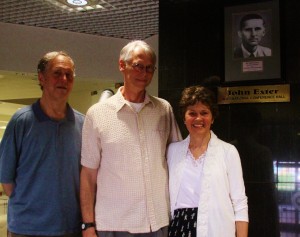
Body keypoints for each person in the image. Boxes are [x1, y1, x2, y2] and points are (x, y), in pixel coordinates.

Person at [80, 40, 182, 237]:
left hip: (158, 223)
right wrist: (88, 225)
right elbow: (88, 175)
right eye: (137, 66)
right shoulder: (97, 114)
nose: (143, 73)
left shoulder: (163, 109)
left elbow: (177, 161)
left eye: (149, 68)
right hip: (115, 225)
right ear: (122, 65)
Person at [0, 51, 84, 237]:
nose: (64, 79)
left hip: (71, 228)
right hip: (27, 229)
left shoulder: (83, 124)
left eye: (69, 74)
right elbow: (7, 181)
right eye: (57, 73)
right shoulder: (21, 121)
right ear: (41, 78)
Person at [167, 86, 248, 237]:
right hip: (179, 228)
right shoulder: (172, 151)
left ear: (213, 117)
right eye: (192, 113)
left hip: (216, 228)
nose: (198, 118)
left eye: (204, 113)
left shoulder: (228, 152)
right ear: (184, 118)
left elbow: (240, 203)